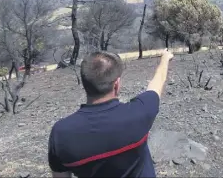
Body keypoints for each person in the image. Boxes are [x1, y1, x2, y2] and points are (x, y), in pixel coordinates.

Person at [48, 49, 174, 178]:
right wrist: (165, 59)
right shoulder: (138, 113)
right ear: (117, 84)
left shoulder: (61, 134)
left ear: (85, 84)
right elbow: (156, 85)